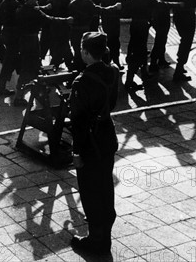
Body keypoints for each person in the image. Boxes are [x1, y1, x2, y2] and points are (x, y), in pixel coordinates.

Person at [69, 32, 119, 255]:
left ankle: (96, 241)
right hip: (108, 137)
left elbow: (78, 122)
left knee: (90, 191)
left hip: (91, 143)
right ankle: (104, 237)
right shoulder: (113, 72)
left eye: (82, 50)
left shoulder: (82, 81)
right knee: (106, 188)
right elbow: (113, 104)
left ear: (87, 53)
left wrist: (77, 152)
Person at [13, 0, 73, 106]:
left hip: (23, 41)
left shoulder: (21, 9)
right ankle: (20, 96)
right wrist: (65, 20)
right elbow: (48, 19)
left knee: (32, 66)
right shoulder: (33, 11)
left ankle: (36, 91)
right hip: (32, 41)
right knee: (29, 68)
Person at [122, 0, 182, 91]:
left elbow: (124, 11)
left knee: (141, 50)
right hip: (143, 26)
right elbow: (163, 4)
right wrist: (177, 4)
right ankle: (129, 82)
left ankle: (144, 73)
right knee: (138, 53)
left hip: (134, 25)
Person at [0, 0, 22, 97]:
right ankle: (3, 88)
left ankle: (5, 87)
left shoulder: (3, 3)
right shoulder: (14, 4)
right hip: (14, 35)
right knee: (9, 62)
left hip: (6, 33)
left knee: (12, 60)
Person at [149, 0, 175, 72]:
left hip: (157, 16)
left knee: (161, 39)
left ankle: (161, 59)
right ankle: (154, 61)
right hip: (162, 16)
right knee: (160, 40)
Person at [46, 0, 74, 69]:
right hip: (64, 28)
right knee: (62, 49)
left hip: (54, 28)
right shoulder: (67, 1)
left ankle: (69, 65)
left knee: (63, 49)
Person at [101, 0, 127, 69]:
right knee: (115, 44)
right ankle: (115, 62)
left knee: (109, 43)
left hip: (106, 22)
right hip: (114, 22)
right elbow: (125, 6)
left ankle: (107, 62)